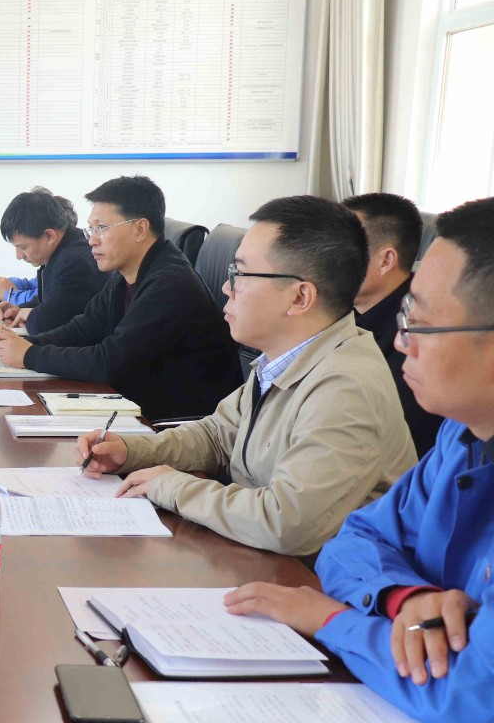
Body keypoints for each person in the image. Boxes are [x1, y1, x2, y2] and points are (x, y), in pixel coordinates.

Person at [225, 196, 494, 723]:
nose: (400, 342)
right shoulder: (462, 436)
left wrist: (330, 620)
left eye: (420, 323)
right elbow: (357, 538)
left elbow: (470, 691)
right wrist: (404, 598)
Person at [77, 196, 416, 557]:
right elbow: (217, 436)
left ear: (300, 297)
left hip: (315, 579)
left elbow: (287, 522)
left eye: (239, 274)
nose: (227, 288)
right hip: (257, 557)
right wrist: (131, 451)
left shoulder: (345, 386)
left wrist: (170, 486)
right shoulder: (284, 357)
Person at [0, 175, 242, 421]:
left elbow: (109, 362)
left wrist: (30, 355)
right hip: (137, 403)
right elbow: (84, 328)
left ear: (140, 229)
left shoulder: (169, 284)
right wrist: (26, 344)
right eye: (91, 229)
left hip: (172, 422)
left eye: (102, 228)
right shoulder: (127, 274)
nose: (92, 240)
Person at [342, 192, 443, 456]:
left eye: (339, 248)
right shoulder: (335, 313)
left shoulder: (416, 341)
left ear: (385, 260)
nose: (323, 259)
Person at [0, 187, 103, 334]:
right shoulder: (64, 250)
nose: (19, 256)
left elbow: (48, 322)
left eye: (23, 247)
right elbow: (52, 300)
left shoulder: (76, 262)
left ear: (49, 236)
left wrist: (30, 315)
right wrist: (19, 309)